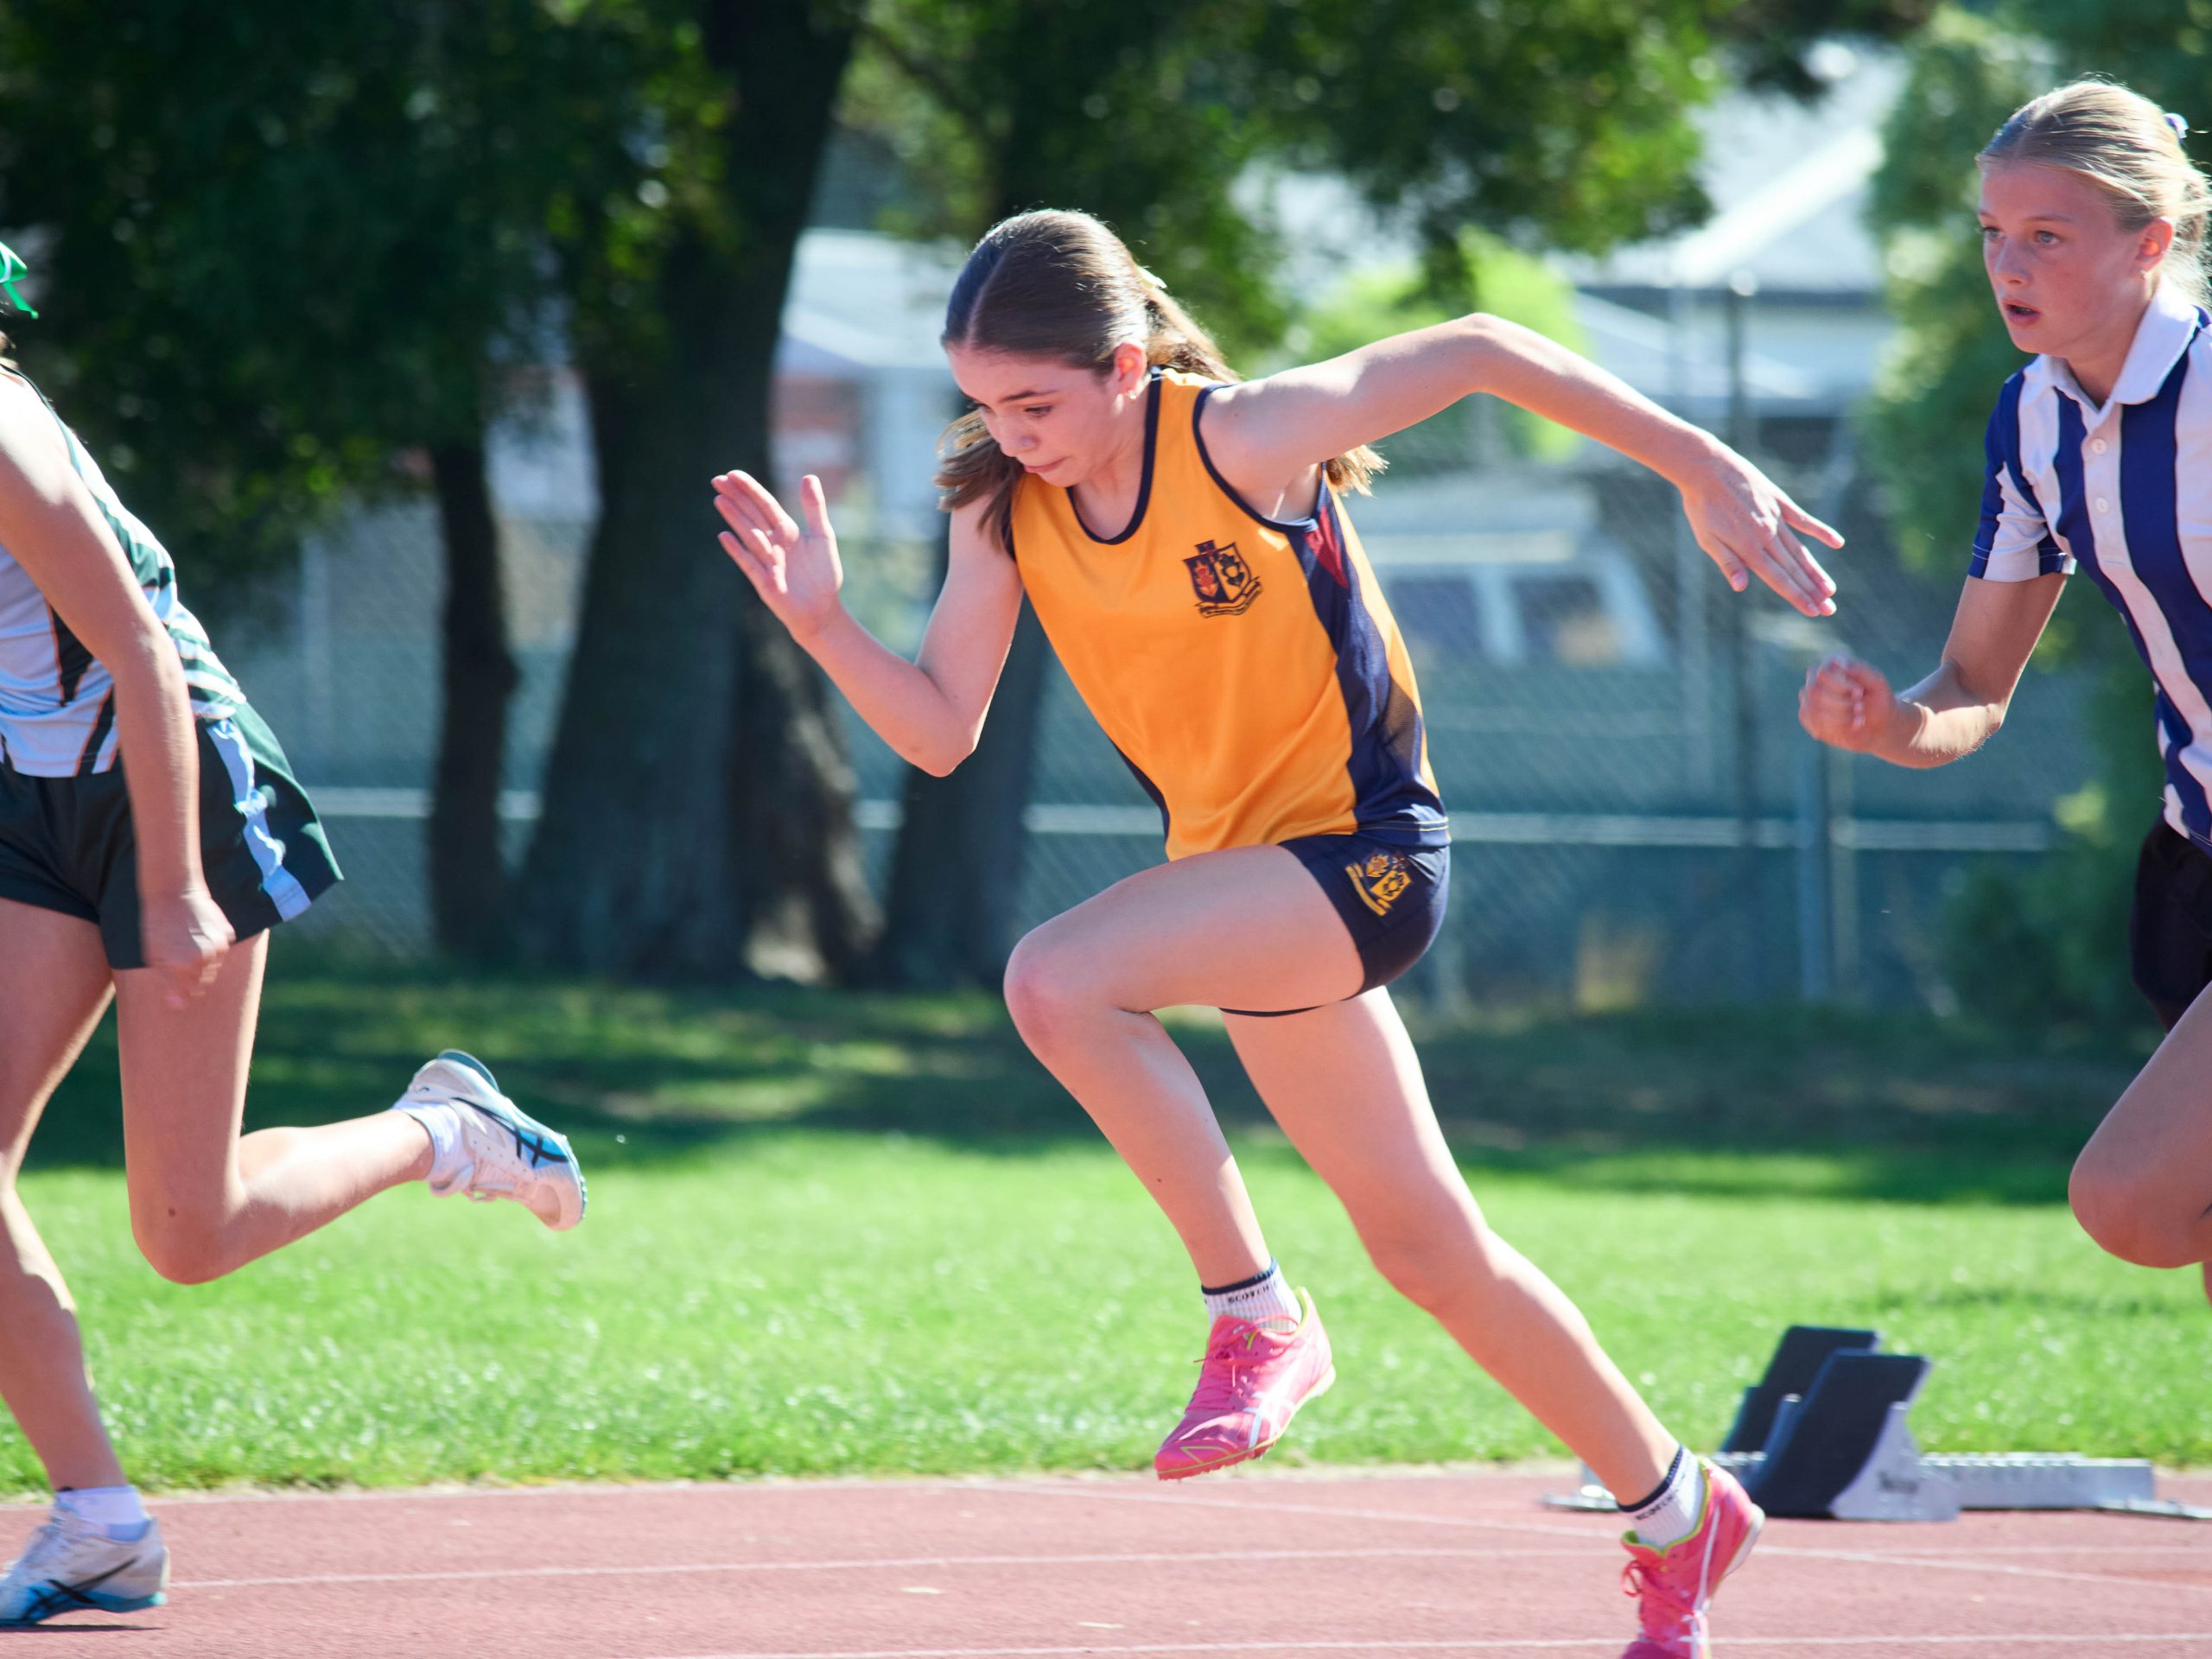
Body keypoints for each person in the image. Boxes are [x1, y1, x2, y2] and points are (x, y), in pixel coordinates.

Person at [715, 208, 1840, 1657]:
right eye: (984, 404)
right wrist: (822, 626)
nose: (1010, 433)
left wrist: (1696, 461)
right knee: (1433, 1253)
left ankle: (1255, 1314)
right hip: (1252, 895)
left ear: (1127, 368)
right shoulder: (1000, 504)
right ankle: (1681, 1509)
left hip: (1366, 861)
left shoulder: (1242, 439)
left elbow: (1478, 348)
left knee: (1056, 981)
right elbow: (938, 732)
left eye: (1036, 404)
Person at [0, 251, 587, 1627]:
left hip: (176, 780)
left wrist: (168, 889)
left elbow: (141, 654)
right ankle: (100, 1520)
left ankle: (448, 1130)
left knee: (188, 1233)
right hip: (35, 791)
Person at [1797, 79, 2212, 1295]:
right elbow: (1976, 681)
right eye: (1992, 233)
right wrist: (1890, 723)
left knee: (2132, 1200)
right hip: (2194, 857)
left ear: (2150, 242)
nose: (2007, 265)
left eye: (2047, 235)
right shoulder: (2032, 421)